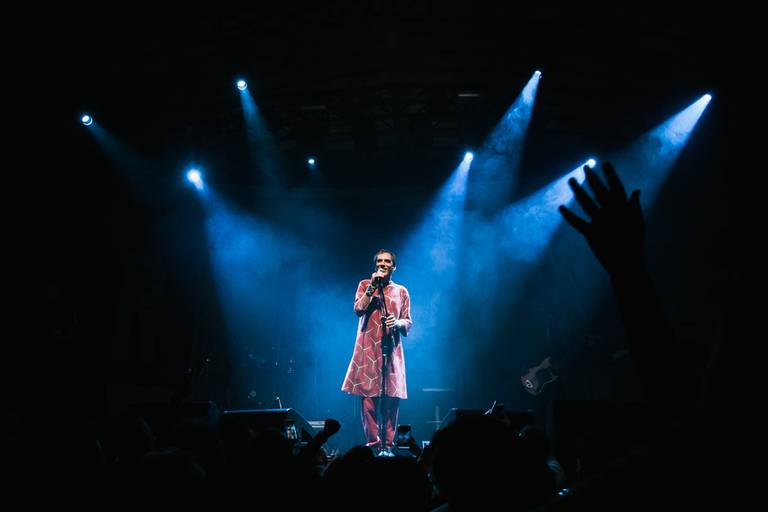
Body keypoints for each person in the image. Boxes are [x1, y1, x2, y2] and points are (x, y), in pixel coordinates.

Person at [342, 249, 412, 457]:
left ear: (393, 266)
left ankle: (388, 447)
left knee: (391, 402)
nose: (383, 264)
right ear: (375, 266)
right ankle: (373, 445)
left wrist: (397, 322)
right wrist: (373, 285)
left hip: (391, 350)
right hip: (368, 350)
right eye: (379, 261)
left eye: (387, 261)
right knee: (368, 402)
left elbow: (408, 320)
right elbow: (358, 309)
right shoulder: (365, 285)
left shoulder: (401, 291)